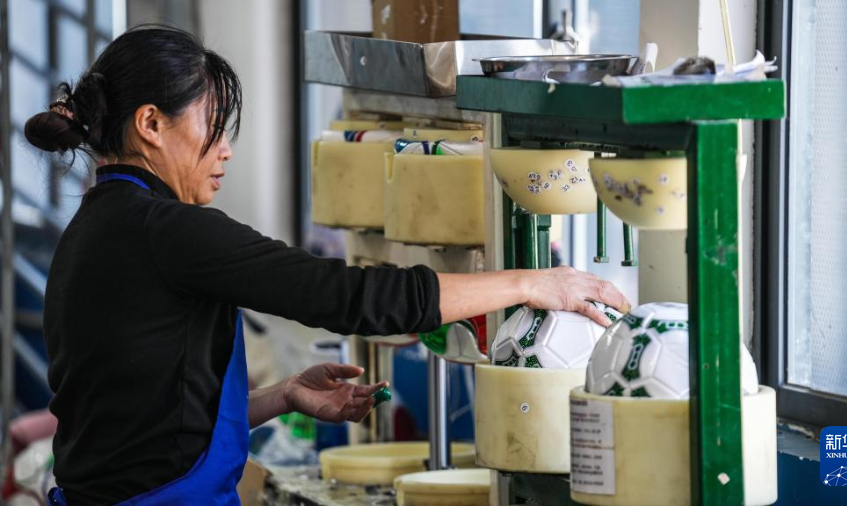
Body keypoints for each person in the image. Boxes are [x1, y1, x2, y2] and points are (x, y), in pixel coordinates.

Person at [24, 26, 630, 505]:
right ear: (151, 124)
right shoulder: (168, 232)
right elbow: (349, 298)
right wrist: (533, 283)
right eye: (213, 126)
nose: (226, 149)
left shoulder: (91, 231)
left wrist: (285, 395)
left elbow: (150, 416)